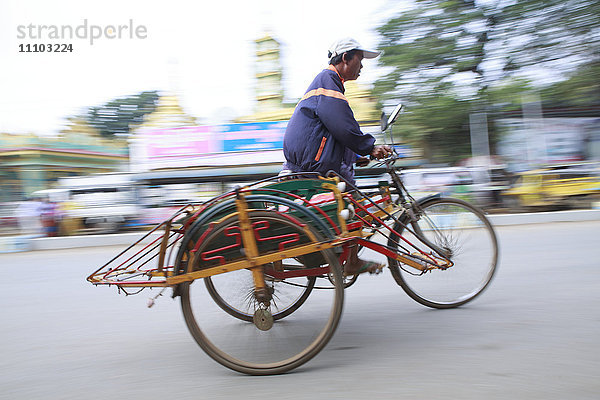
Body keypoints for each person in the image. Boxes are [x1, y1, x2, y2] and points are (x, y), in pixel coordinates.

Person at [282, 37, 392, 276]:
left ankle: (349, 257)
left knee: (352, 195)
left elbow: (331, 133)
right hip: (312, 163)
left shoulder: (331, 84)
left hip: (312, 159)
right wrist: (369, 147)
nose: (361, 67)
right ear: (345, 59)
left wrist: (357, 155)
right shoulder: (327, 82)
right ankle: (350, 260)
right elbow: (343, 126)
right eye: (359, 61)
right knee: (354, 201)